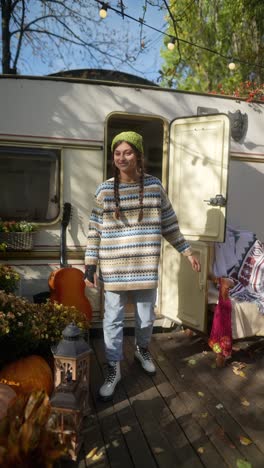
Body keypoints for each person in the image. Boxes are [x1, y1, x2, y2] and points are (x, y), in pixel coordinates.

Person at [84, 131, 201, 401]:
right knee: (112, 320)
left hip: (145, 267)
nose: (122, 157)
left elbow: (169, 224)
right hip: (113, 269)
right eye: (117, 153)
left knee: (146, 318)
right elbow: (94, 230)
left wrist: (187, 252)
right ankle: (113, 367)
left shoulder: (154, 186)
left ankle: (142, 349)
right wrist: (90, 265)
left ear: (138, 155)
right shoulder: (104, 190)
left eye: (127, 152)